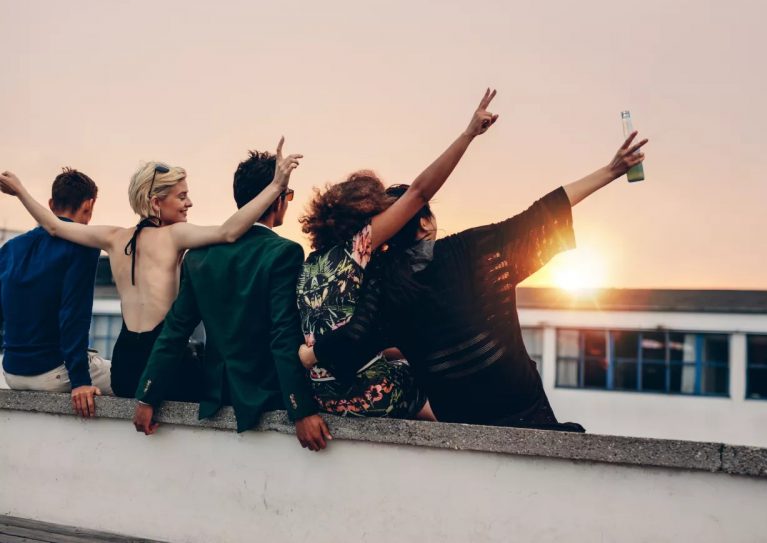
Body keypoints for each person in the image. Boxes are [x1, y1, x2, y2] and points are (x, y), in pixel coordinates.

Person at [300, 130, 649, 431]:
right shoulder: (473, 250)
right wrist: (612, 170)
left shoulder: (383, 284)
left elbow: (355, 340)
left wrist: (309, 356)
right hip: (522, 409)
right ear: (425, 223)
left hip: (458, 421)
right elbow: (543, 213)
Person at [0, 138, 301, 400]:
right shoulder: (175, 237)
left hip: (125, 365)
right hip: (166, 365)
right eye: (182, 196)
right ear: (156, 202)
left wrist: (20, 191)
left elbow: (52, 225)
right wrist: (275, 186)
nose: (189, 203)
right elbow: (229, 232)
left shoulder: (113, 237)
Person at [296, 89, 499, 420]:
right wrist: (467, 135)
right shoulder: (359, 246)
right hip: (367, 395)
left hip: (323, 396)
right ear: (366, 214)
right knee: (426, 380)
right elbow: (419, 192)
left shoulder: (311, 264)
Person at [133, 150, 331, 451]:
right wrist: (301, 408)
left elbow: (175, 331)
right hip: (266, 395)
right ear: (275, 199)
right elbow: (283, 334)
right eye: (287, 196)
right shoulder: (285, 253)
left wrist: (147, 395)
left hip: (215, 393)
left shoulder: (199, 256)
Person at [0, 168, 111, 418]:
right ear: (89, 204)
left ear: (51, 204)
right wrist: (81, 381)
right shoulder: (84, 244)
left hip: (12, 371)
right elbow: (73, 315)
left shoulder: (11, 248)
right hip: (53, 372)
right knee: (132, 379)